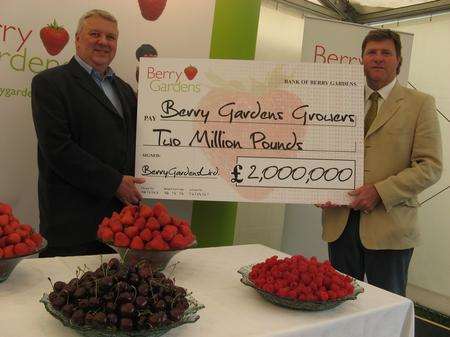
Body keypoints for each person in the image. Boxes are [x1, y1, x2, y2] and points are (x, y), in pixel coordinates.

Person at [319, 29, 442, 296]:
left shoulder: (420, 103)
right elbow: (319, 153)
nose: (378, 58)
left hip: (390, 226)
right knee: (339, 304)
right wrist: (316, 187)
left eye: (386, 53)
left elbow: (430, 167)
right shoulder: (338, 100)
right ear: (361, 59)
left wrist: (380, 192)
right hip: (339, 223)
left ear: (399, 60)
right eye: (371, 52)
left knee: (385, 308)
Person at [31, 9, 145, 257]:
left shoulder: (125, 90)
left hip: (122, 227)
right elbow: (58, 150)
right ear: (77, 39)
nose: (103, 42)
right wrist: (114, 183)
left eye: (111, 37)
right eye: (95, 34)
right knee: (68, 295)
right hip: (72, 227)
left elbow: (136, 145)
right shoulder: (49, 83)